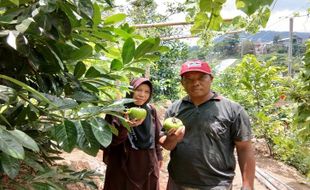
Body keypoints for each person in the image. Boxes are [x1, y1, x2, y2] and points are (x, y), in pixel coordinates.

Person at [159, 60, 256, 190]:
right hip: (177, 183)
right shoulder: (174, 110)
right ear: (182, 82)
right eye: (189, 79)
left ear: (211, 78)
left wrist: (248, 185)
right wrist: (172, 138)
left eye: (201, 77)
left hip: (216, 185)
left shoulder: (233, 110)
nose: (195, 83)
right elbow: (167, 145)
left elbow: (245, 148)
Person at [103, 77, 163, 190]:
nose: (142, 95)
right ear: (131, 90)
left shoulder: (150, 110)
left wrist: (159, 155)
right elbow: (110, 140)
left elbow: (156, 135)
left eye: (147, 92)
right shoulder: (118, 110)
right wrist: (125, 127)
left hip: (147, 162)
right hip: (123, 162)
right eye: (138, 90)